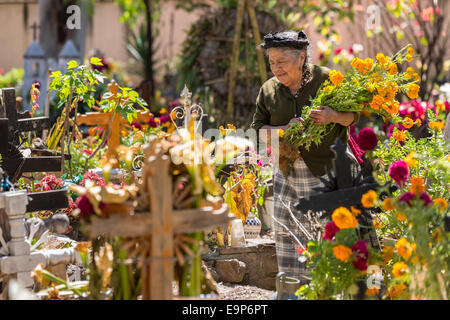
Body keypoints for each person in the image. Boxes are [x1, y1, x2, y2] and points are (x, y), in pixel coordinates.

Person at [250, 30, 360, 282]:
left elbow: (353, 116)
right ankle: (293, 290)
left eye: (282, 62)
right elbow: (257, 130)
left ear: (301, 58)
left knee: (330, 235)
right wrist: (282, 130)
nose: (276, 69)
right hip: (288, 172)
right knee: (289, 235)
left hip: (328, 170)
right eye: (272, 63)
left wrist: (332, 116)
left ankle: (330, 288)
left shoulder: (328, 79)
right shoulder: (269, 90)